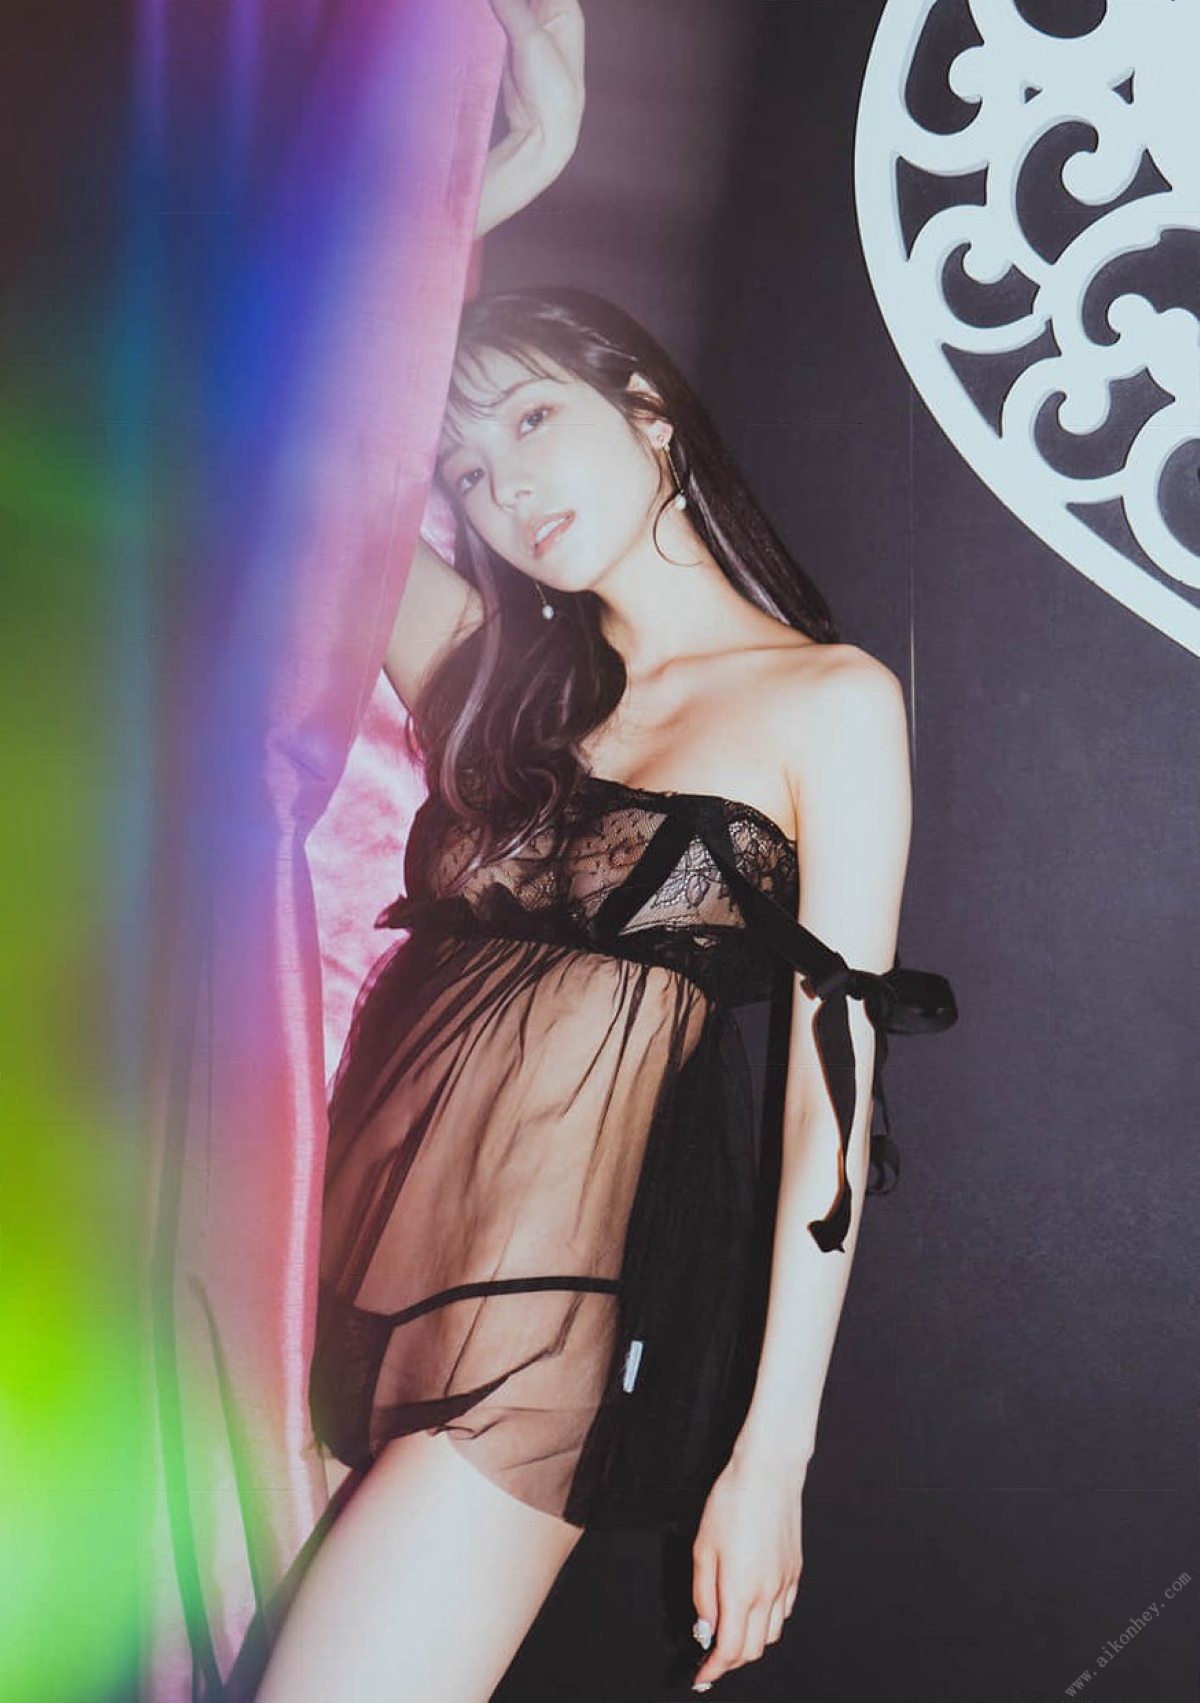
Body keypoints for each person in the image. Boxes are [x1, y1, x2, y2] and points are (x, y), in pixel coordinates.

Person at [257, 2, 956, 1698]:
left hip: (533, 1354)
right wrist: (479, 194)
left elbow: (829, 1106)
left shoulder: (827, 704)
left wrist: (770, 1458)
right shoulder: (491, 676)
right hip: (317, 1303)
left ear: (644, 407)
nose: (501, 486)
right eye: (466, 460)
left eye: (529, 419)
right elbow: (295, 429)